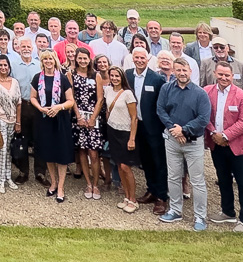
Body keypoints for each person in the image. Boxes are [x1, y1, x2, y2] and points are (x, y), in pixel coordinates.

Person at [156, 57, 211, 230]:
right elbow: (161, 110)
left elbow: (203, 118)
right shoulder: (166, 88)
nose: (181, 73)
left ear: (190, 71)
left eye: (184, 70)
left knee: (197, 180)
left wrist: (184, 130)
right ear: (173, 71)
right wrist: (174, 129)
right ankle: (175, 210)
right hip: (172, 140)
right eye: (178, 70)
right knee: (173, 176)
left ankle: (200, 217)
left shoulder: (200, 93)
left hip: (193, 142)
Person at [205, 62, 243, 231]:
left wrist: (226, 136)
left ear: (232, 76)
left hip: (237, 145)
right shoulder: (207, 91)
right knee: (223, 180)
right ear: (215, 73)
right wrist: (214, 134)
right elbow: (204, 115)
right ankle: (227, 212)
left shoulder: (242, 96)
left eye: (227, 75)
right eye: (220, 74)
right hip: (217, 144)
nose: (224, 78)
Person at [126, 46, 169, 214]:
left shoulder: (157, 79)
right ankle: (151, 190)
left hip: (154, 127)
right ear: (132, 58)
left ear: (148, 59)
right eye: (136, 57)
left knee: (159, 162)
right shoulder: (128, 75)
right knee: (145, 161)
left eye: (142, 58)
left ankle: (161, 197)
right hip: (137, 126)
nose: (139, 60)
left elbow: (162, 105)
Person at [30, 51, 75, 202]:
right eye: (45, 59)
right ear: (42, 62)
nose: (48, 61)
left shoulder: (62, 78)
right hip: (44, 119)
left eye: (50, 59)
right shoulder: (38, 77)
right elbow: (32, 97)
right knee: (48, 153)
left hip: (60, 120)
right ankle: (53, 182)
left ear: (55, 60)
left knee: (60, 155)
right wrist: (41, 108)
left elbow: (70, 101)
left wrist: (58, 107)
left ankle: (61, 186)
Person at [102, 66, 140, 212]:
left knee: (126, 166)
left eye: (117, 76)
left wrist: (132, 139)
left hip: (125, 133)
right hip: (113, 130)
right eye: (112, 76)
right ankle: (126, 196)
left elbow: (134, 118)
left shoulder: (128, 94)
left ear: (122, 77)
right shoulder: (108, 90)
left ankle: (133, 199)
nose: (114, 78)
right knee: (118, 165)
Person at [69, 48, 104, 200]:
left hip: (93, 118)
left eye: (85, 58)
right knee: (82, 150)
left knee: (94, 152)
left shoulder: (96, 75)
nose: (83, 61)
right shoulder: (71, 74)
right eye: (80, 58)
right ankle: (88, 182)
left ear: (90, 59)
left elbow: (100, 99)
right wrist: (78, 117)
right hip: (78, 118)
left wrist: (92, 118)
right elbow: (71, 97)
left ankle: (96, 184)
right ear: (76, 59)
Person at [0, 56, 21, 194]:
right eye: (0, 65)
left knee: (9, 151)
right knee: (1, 149)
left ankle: (8, 177)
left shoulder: (14, 82)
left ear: (9, 66)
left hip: (12, 120)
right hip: (0, 120)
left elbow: (19, 103)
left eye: (5, 65)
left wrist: (18, 122)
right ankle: (0, 180)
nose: (3, 68)